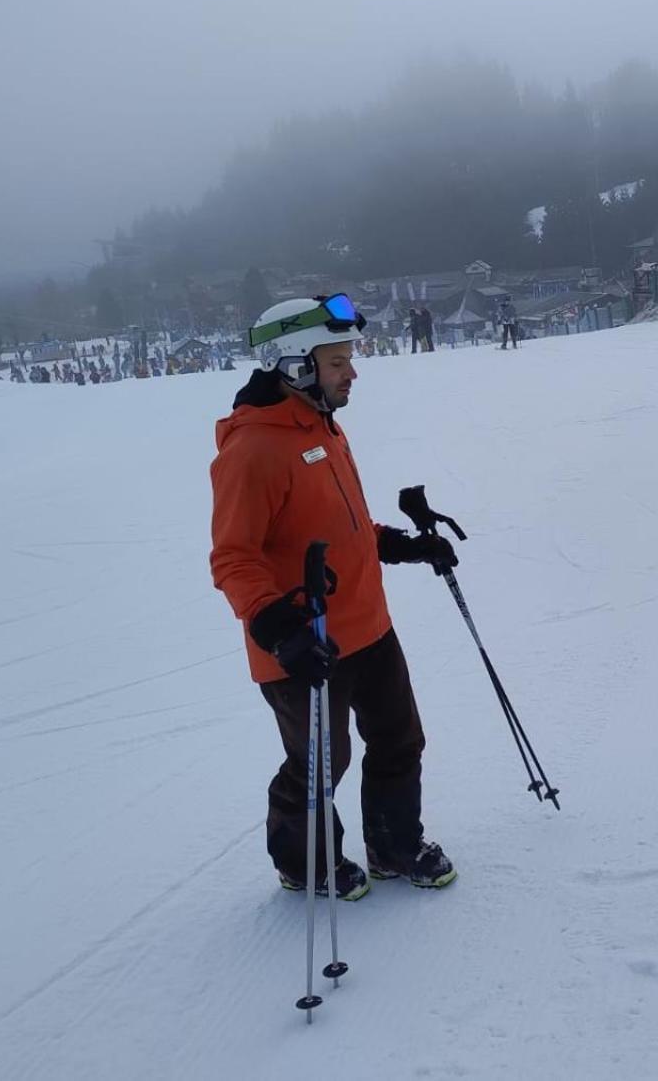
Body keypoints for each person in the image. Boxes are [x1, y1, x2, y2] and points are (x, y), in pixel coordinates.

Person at [210, 294, 460, 899]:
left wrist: (398, 545)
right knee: (321, 765)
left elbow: (340, 525)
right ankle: (304, 862)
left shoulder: (321, 425)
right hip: (306, 641)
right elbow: (232, 557)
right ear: (295, 366)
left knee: (401, 739)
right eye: (338, 361)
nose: (352, 373)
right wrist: (276, 627)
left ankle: (394, 846)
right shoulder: (252, 450)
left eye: (350, 358)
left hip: (369, 626)